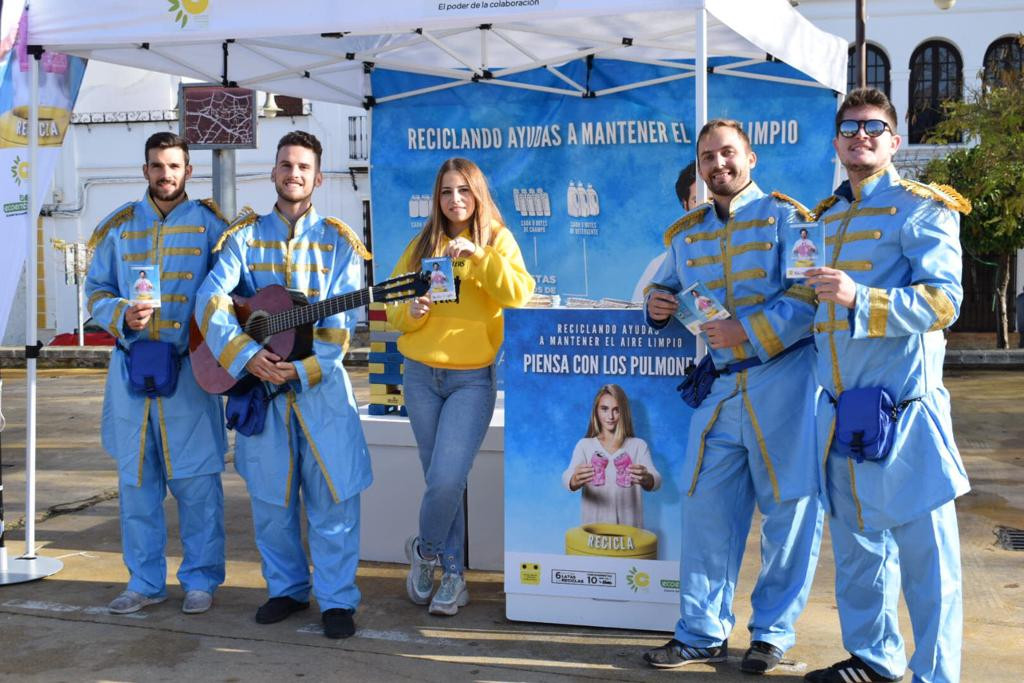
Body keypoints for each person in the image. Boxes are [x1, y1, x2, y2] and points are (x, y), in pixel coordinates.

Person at [802, 88, 971, 683]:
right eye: (849, 128)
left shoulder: (924, 208)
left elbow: (945, 300)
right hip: (841, 417)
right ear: (837, 142)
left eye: (874, 127)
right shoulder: (821, 220)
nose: (861, 136)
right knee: (858, 554)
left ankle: (935, 675)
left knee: (929, 562)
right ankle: (875, 660)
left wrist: (861, 298)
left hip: (904, 415)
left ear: (893, 140)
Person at [642, 119, 823, 675]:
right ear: (698, 167)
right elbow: (663, 286)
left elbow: (808, 296)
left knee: (789, 512)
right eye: (707, 157)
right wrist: (656, 303)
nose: (718, 165)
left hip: (785, 381)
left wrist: (748, 330)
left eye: (727, 154)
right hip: (721, 390)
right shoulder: (687, 234)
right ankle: (700, 632)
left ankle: (771, 634)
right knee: (705, 513)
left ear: (751, 157)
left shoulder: (788, 221)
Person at [194, 130, 372, 640]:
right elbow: (211, 301)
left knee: (333, 498)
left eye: (303, 167)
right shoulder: (242, 238)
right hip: (262, 394)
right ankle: (287, 590)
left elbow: (343, 322)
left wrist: (306, 368)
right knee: (272, 500)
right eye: (285, 165)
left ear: (318, 178)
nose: (293, 174)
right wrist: (248, 356)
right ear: (273, 172)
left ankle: (338, 600)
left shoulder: (339, 242)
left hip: (322, 394)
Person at [84, 132, 228, 616]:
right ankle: (144, 582)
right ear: (144, 170)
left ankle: (201, 580)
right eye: (156, 166)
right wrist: (121, 313)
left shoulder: (213, 227)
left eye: (173, 166)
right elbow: (96, 290)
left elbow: (233, 294)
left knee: (198, 486)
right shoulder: (118, 228)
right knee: (137, 486)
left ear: (189, 171)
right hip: (131, 375)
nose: (164, 174)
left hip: (189, 376)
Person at [388, 157, 535, 616]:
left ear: (478, 194)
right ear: (437, 198)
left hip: (471, 378)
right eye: (447, 192)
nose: (455, 200)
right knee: (440, 483)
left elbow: (519, 293)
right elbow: (392, 307)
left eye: (463, 191)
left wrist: (479, 256)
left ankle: (425, 550)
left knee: (449, 478)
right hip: (419, 376)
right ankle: (453, 575)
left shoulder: (498, 240)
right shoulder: (421, 245)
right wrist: (408, 315)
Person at [562, 384, 661, 528]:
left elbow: (656, 480)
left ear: (624, 413)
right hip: (594, 534)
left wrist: (647, 478)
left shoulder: (638, 446)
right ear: (596, 411)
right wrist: (574, 479)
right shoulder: (585, 445)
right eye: (604, 409)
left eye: (616, 410)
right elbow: (566, 477)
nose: (610, 416)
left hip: (629, 535)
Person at [631, 161, 700, 302]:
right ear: (685, 205)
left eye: (714, 198)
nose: (709, 206)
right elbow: (640, 309)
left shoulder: (749, 249)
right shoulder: (660, 265)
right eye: (697, 200)